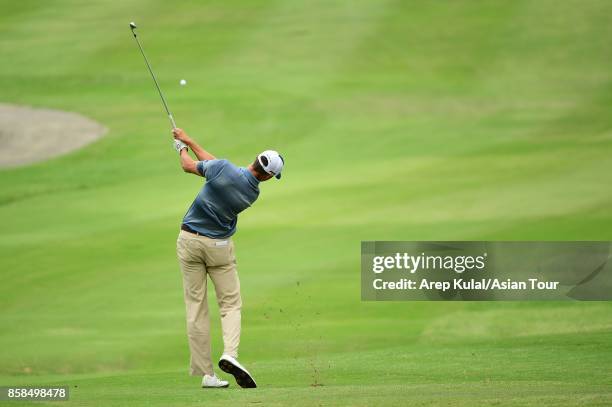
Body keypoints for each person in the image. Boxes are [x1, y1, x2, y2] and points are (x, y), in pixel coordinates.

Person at [171, 128, 284, 388]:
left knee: (196, 306)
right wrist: (188, 140)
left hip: (188, 241)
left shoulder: (223, 169)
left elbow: (190, 166)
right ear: (267, 176)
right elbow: (216, 167)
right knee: (230, 304)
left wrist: (181, 148)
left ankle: (207, 375)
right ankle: (230, 354)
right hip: (219, 248)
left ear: (256, 159)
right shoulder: (252, 194)